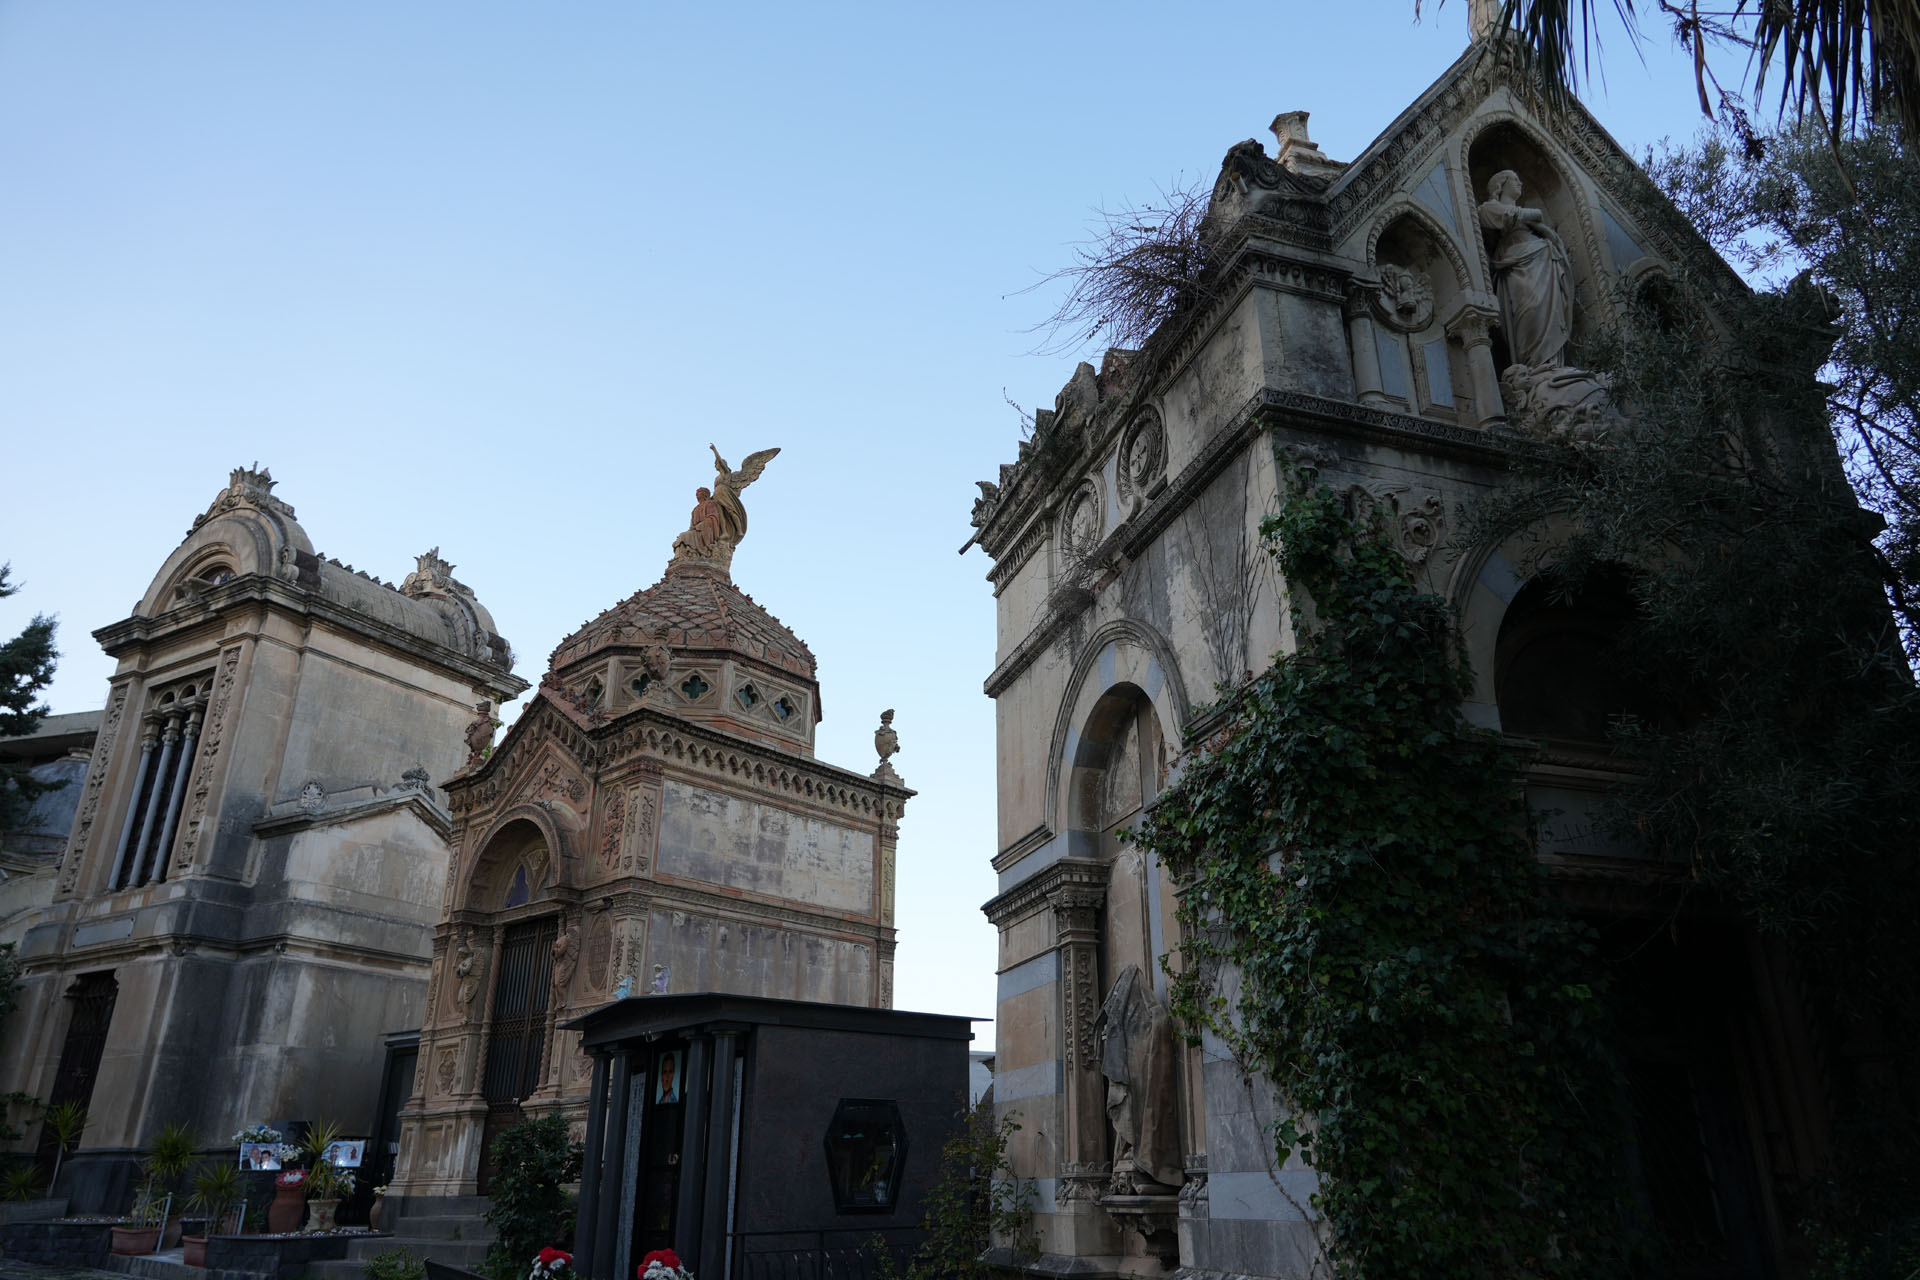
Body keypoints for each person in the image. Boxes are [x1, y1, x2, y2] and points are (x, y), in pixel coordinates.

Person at [1478, 169, 1574, 368]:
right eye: (1514, 179)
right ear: (1500, 185)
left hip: (1542, 260)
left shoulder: (1528, 223)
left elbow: (1544, 229)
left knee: (1550, 311)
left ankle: (1552, 365)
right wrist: (1533, 216)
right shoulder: (1489, 208)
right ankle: (1533, 366)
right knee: (1528, 310)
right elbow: (1510, 217)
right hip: (1514, 264)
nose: (1520, 183)